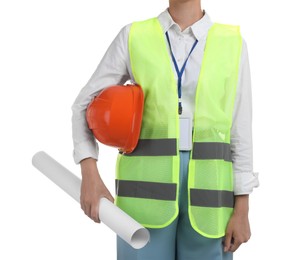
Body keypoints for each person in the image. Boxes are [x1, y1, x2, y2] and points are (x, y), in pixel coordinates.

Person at [71, 0, 259, 259]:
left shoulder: (232, 43)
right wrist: (89, 173)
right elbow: (84, 104)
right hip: (144, 197)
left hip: (211, 196)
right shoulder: (133, 36)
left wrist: (243, 207)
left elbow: (240, 131)